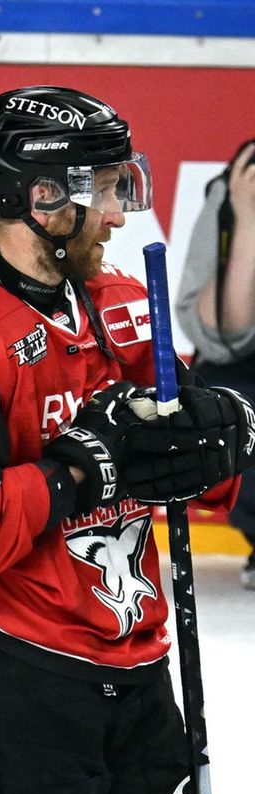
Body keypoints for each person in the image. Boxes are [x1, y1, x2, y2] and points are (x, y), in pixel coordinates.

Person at [0, 85, 254, 794]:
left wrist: (228, 428)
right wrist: (84, 467)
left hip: (136, 670)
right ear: (43, 196)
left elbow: (195, 476)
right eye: (110, 191)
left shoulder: (119, 301)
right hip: (8, 676)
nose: (121, 214)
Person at [176, 138, 255, 588]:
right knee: (226, 402)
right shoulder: (233, 192)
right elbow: (224, 337)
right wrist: (245, 218)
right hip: (244, 366)